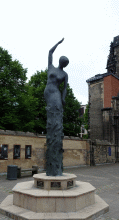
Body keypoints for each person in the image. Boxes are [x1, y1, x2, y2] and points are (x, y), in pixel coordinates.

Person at [44, 38, 69, 176]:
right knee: (52, 114)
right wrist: (58, 44)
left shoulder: (64, 74)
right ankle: (53, 138)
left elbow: (64, 88)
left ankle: (56, 142)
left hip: (57, 94)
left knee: (57, 115)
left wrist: (64, 99)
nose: (63, 62)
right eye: (63, 60)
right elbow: (49, 52)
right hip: (49, 92)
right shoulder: (51, 67)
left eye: (65, 62)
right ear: (60, 60)